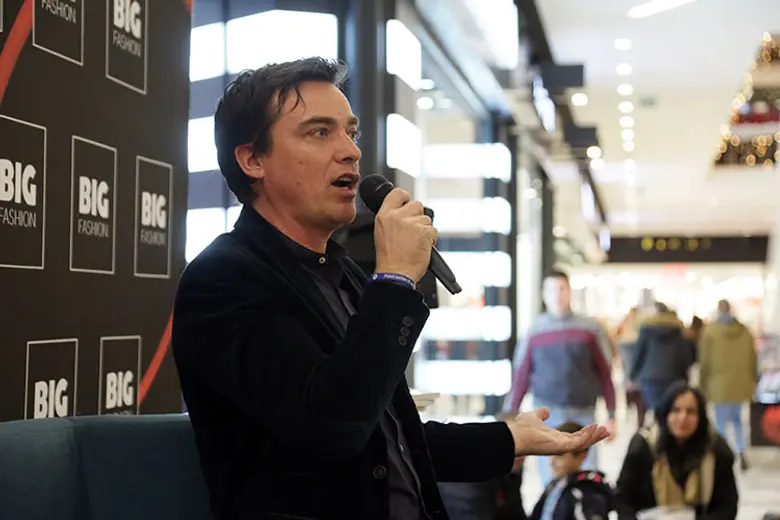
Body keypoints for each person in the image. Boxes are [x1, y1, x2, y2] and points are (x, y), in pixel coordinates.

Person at [171, 58, 609, 520]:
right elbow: (333, 424)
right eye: (319, 132)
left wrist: (508, 437)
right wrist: (396, 277)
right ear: (252, 160)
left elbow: (391, 438)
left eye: (351, 132)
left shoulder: (342, 274)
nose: (350, 151)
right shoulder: (222, 281)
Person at [506, 269, 616, 484]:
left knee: (587, 476)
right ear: (544, 294)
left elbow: (605, 373)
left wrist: (612, 415)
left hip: (584, 414)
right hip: (547, 414)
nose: (557, 295)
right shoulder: (534, 331)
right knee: (551, 477)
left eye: (562, 289)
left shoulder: (590, 330)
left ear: (569, 291)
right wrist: (510, 415)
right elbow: (521, 377)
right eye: (551, 290)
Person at [614, 382, 738, 520]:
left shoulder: (715, 450)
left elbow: (727, 506)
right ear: (665, 413)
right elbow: (623, 500)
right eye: (676, 410)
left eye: (690, 412)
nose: (683, 418)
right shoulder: (643, 447)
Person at [698, 299, 758, 471]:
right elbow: (753, 358)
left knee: (720, 422)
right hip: (740, 383)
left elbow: (704, 362)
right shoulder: (745, 332)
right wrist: (753, 380)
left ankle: (721, 455)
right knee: (738, 420)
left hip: (719, 384)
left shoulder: (710, 332)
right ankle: (741, 451)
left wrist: (703, 384)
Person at [528, 421, 613, 520]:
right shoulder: (554, 486)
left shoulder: (587, 492)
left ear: (581, 456)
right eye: (550, 454)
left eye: (559, 456)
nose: (551, 462)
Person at [629, 302, 695, 412]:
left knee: (655, 411)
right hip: (675, 376)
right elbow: (687, 357)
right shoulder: (679, 331)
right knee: (671, 411)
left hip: (651, 378)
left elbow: (638, 355)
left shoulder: (646, 330)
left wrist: (632, 376)